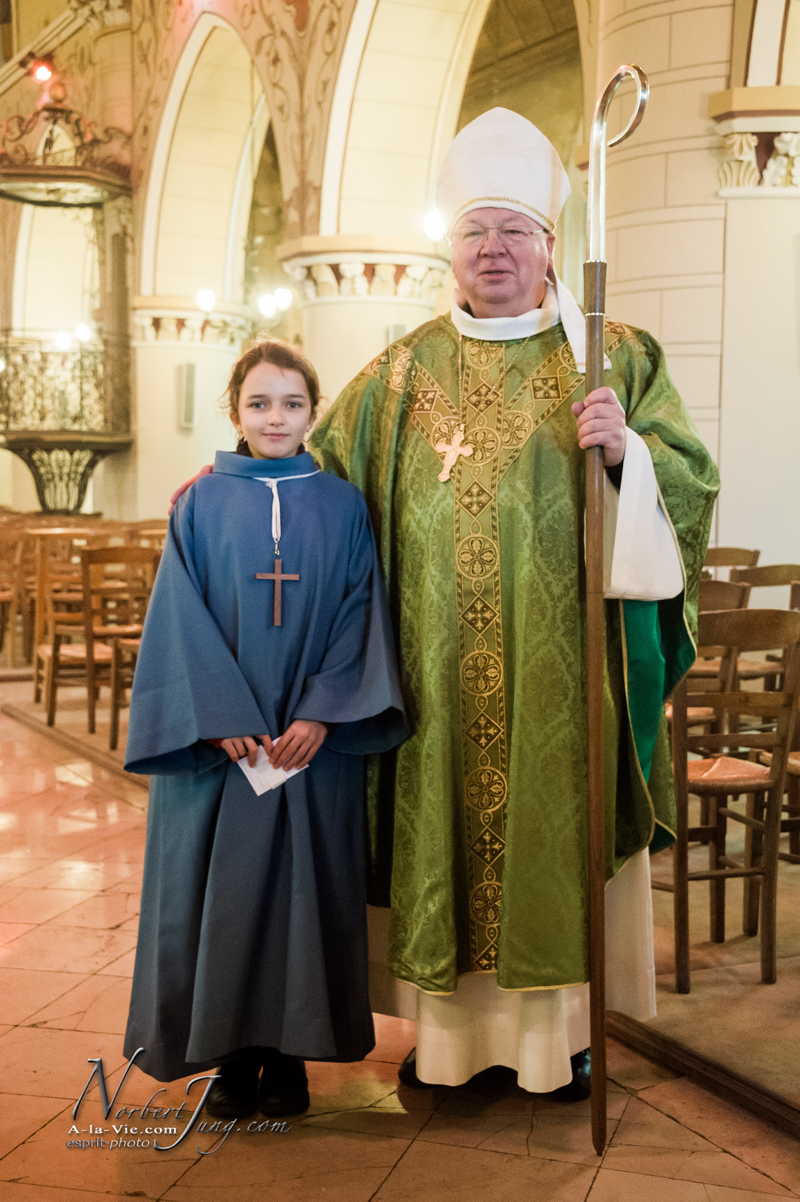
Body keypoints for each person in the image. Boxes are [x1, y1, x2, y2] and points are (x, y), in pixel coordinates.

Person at [308, 108, 720, 1096]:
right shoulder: (396, 373)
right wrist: (240, 479)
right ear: (448, 249)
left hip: (562, 682)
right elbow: (319, 478)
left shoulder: (613, 357)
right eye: (473, 232)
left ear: (548, 246)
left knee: (548, 842)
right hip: (431, 685)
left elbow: (691, 483)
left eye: (513, 232)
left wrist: (627, 452)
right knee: (442, 841)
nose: (492, 250)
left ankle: (554, 1043)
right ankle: (445, 1046)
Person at [123, 340, 406, 1121]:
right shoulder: (199, 502)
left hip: (308, 745)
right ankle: (227, 1057)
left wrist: (321, 710)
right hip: (224, 746)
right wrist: (219, 718)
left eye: (290, 403)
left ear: (314, 412)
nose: (275, 418)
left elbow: (360, 611)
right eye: (258, 403)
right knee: (220, 897)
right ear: (234, 411)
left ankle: (288, 1059)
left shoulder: (345, 506)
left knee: (303, 895)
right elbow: (177, 615)